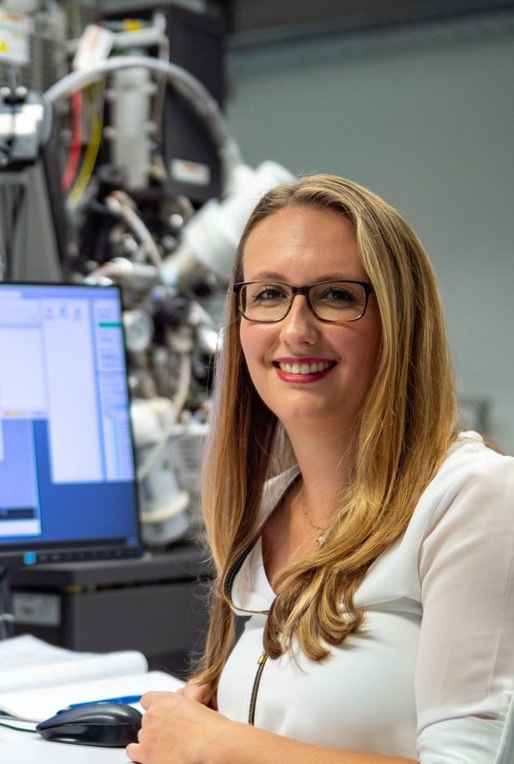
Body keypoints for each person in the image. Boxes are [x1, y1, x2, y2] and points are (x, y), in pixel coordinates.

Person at [126, 174, 514, 763]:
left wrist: (217, 744)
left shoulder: (472, 497)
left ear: (399, 323)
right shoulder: (264, 509)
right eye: (268, 294)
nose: (296, 329)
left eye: (336, 295)